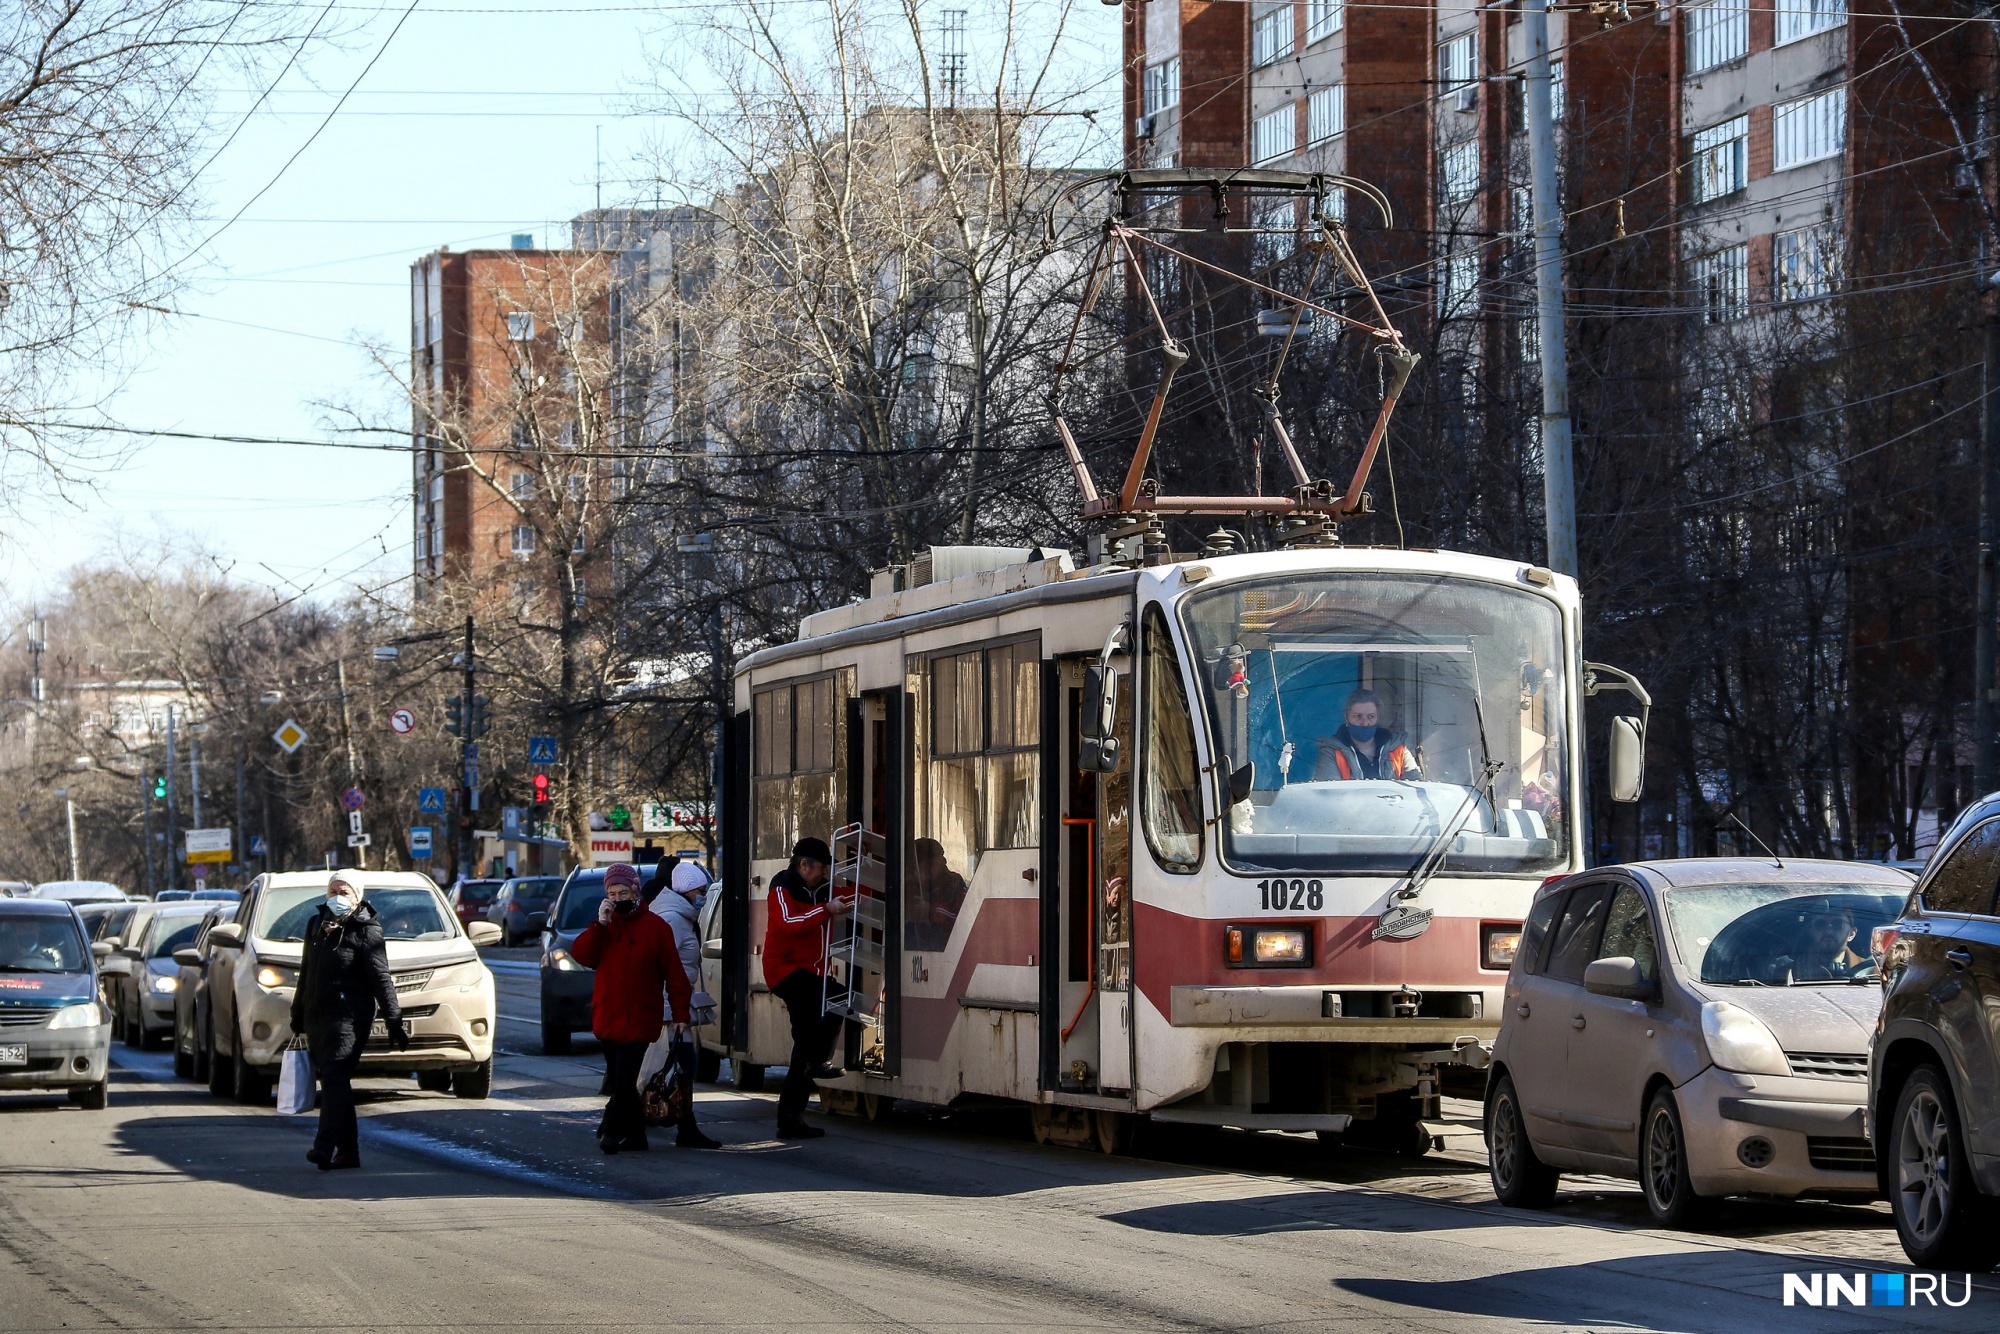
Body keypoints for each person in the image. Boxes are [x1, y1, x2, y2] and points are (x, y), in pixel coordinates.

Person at [571, 863, 698, 1152]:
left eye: (623, 892)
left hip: (640, 1017)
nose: (617, 898)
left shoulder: (656, 927)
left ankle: (612, 1132)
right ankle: (637, 1135)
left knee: (626, 1077)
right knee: (619, 1079)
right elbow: (583, 955)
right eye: (612, 893)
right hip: (608, 1016)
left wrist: (680, 1015)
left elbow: (675, 975)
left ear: (635, 891)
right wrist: (599, 925)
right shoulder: (604, 927)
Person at [291, 871, 405, 1171]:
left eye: (344, 892)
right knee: (334, 1083)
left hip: (350, 1020)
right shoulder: (316, 925)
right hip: (318, 1017)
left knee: (334, 1076)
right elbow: (306, 971)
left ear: (357, 896)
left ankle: (323, 1146)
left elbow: (381, 978)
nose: (337, 897)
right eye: (333, 891)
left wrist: (394, 1018)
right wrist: (297, 1011)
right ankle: (348, 1153)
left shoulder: (367, 931)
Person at [763, 836, 852, 1139]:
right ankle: (818, 1061)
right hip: (785, 971)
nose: (825, 875)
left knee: (825, 1015)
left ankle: (790, 1116)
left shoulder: (820, 890)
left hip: (811, 973)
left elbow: (851, 896)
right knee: (811, 1031)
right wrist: (826, 909)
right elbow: (789, 922)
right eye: (821, 870)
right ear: (804, 865)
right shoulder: (781, 888)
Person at [647, 858, 720, 1149]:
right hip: (670, 1008)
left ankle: (684, 1126)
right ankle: (680, 1125)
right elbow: (662, 967)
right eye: (700, 890)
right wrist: (671, 1012)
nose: (703, 895)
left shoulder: (678, 915)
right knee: (680, 1065)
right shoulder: (674, 920)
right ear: (687, 890)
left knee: (680, 1066)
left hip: (675, 1004)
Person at [1314, 688, 1421, 782]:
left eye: (1371, 716)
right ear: (1346, 717)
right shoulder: (1331, 751)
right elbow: (1329, 795)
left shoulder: (1397, 748)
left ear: (1377, 717)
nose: (1365, 723)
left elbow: (1415, 786)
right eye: (1358, 716)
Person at [907, 838, 967, 951]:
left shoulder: (955, 884)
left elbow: (963, 921)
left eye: (927, 865)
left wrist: (929, 911)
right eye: (915, 868)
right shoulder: (912, 886)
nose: (919, 872)